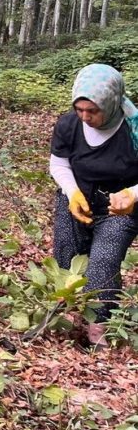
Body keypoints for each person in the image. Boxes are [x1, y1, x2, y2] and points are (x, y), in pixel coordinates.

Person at [49, 64, 138, 347]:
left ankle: (99, 328)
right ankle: (67, 317)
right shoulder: (68, 124)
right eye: (80, 109)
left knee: (103, 262)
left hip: (118, 208)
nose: (85, 117)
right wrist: (72, 192)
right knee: (67, 256)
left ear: (111, 103)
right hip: (77, 198)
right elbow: (59, 162)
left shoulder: (133, 129)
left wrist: (132, 195)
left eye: (93, 111)